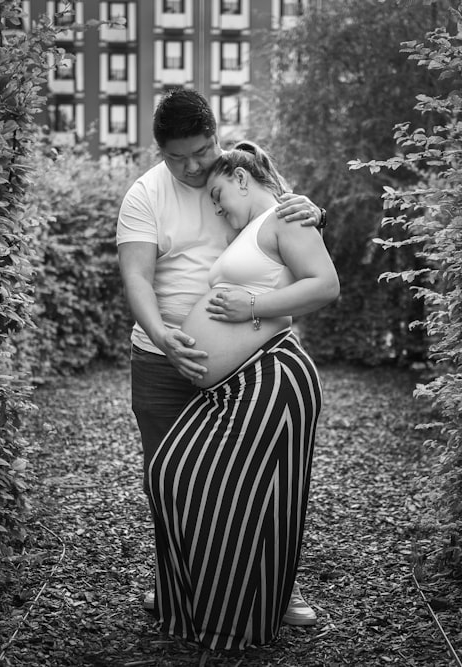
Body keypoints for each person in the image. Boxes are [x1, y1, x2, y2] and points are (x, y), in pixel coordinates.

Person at [117, 88, 326, 626]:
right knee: (168, 479)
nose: (190, 167)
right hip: (163, 362)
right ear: (157, 151)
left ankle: (278, 593)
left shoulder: (237, 171)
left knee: (259, 479)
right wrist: (164, 337)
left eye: (201, 151)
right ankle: (177, 589)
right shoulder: (144, 196)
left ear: (217, 137)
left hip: (250, 364)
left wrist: (314, 210)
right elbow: (136, 278)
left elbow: (286, 223)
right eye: (175, 157)